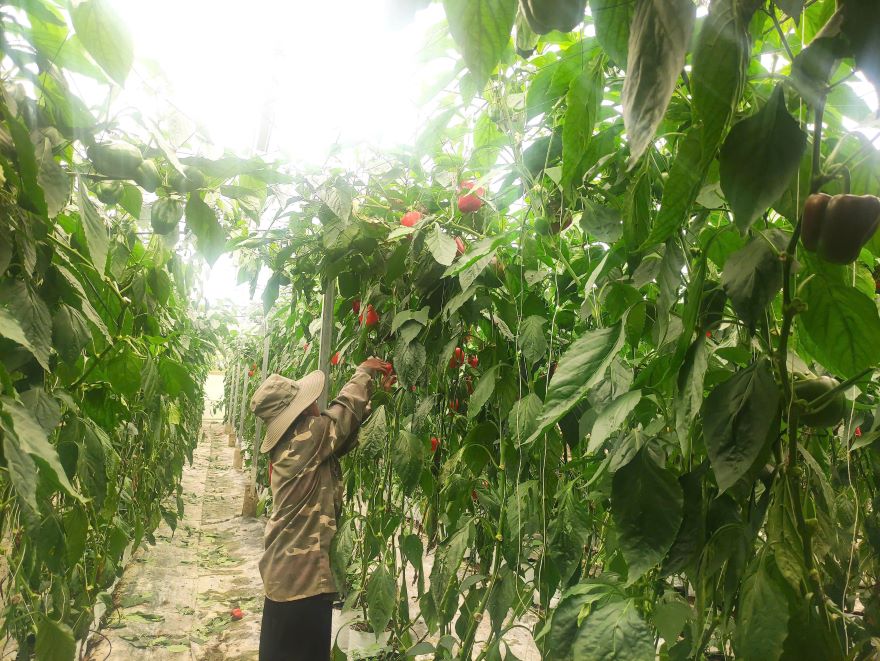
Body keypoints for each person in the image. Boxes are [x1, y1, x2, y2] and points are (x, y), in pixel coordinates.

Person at [250, 356, 394, 661]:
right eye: (310, 401)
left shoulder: (297, 444)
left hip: (288, 577)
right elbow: (342, 414)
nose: (318, 405)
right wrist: (364, 371)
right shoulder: (305, 439)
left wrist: (377, 398)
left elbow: (341, 437)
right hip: (301, 581)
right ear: (299, 415)